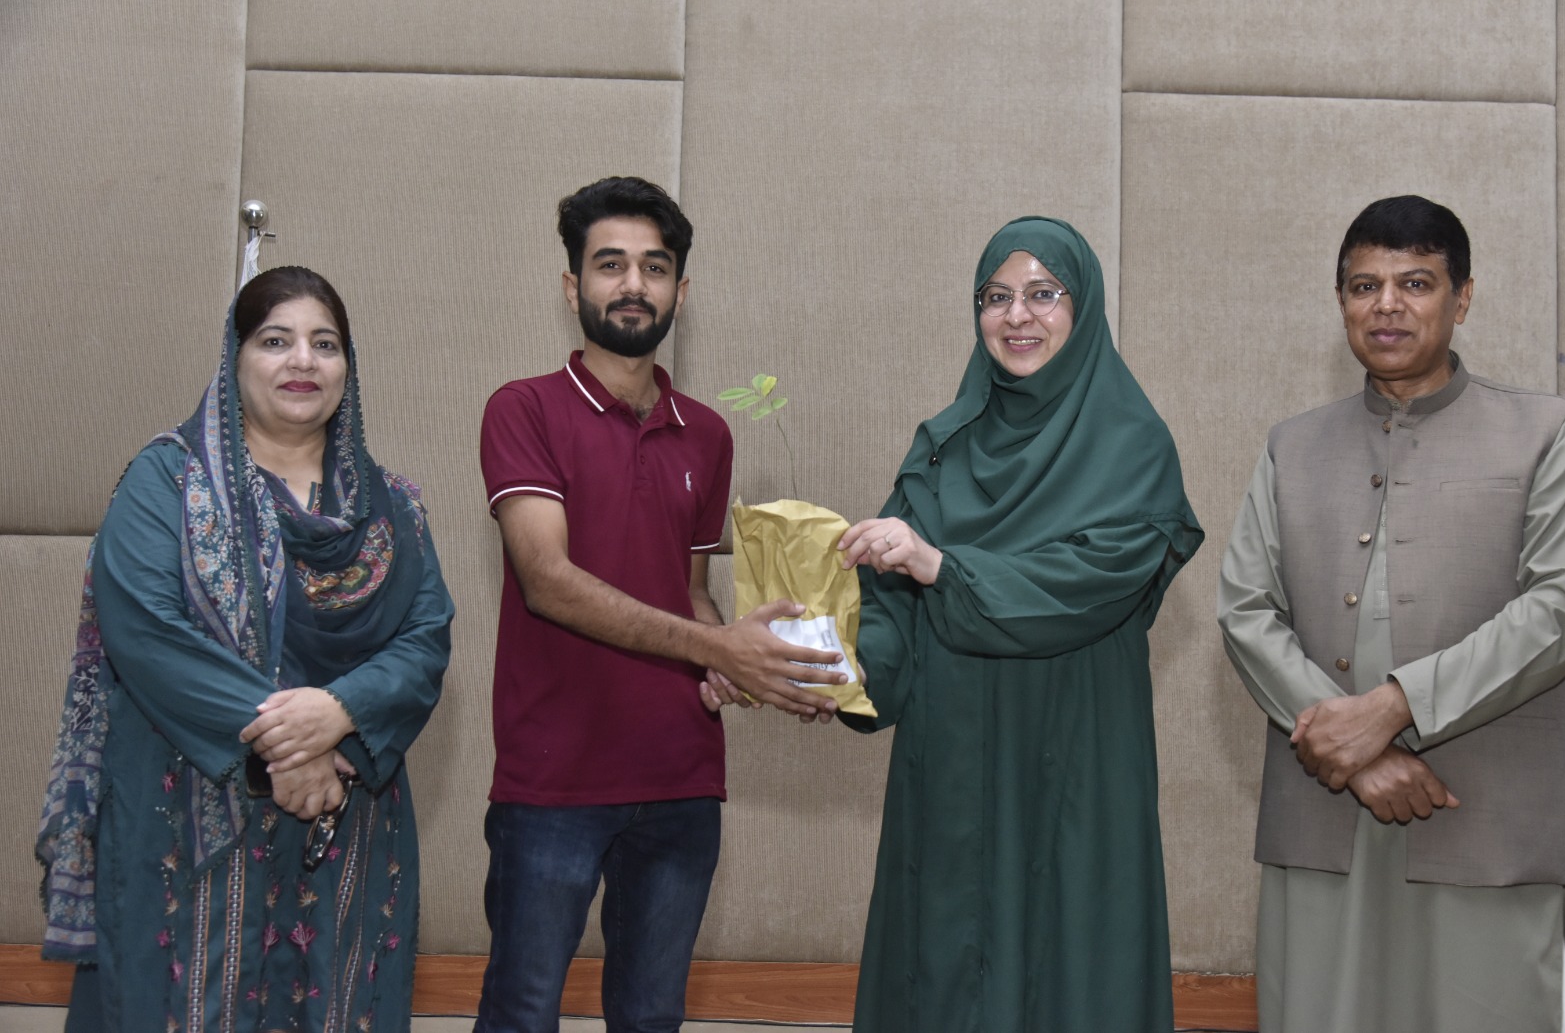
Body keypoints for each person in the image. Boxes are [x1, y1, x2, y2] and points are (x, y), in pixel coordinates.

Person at [35, 265, 454, 1032]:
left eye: (325, 343)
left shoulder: (393, 507)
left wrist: (339, 713)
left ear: (348, 367)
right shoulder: (165, 482)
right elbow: (148, 633)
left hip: (347, 823)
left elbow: (424, 639)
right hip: (186, 819)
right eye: (275, 340)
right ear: (234, 359)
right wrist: (291, 748)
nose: (303, 361)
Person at [1217, 195, 1565, 1033]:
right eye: (1364, 286)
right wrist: (1354, 753)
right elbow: (1245, 609)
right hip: (1322, 816)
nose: (1386, 304)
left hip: (1484, 823)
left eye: (1416, 283)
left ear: (1463, 299)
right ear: (1341, 302)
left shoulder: (1549, 434)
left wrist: (1393, 708)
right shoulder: (1291, 446)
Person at [474, 176, 844, 1033]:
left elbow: (691, 595)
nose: (633, 284)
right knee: (521, 1014)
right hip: (552, 783)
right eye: (610, 265)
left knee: (651, 1017)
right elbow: (547, 580)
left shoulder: (708, 433)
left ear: (682, 289)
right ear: (572, 286)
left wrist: (761, 665)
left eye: (655, 266)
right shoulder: (523, 409)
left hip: (681, 780)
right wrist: (716, 647)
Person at [833, 216, 1203, 1032]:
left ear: (1084, 307)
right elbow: (890, 607)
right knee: (944, 970)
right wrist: (839, 666)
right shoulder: (943, 446)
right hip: (951, 767)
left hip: (1074, 760)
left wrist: (943, 567)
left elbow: (1091, 585)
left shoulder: (1132, 445)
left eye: (1043, 294)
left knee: (1069, 967)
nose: (1017, 316)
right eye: (995, 297)